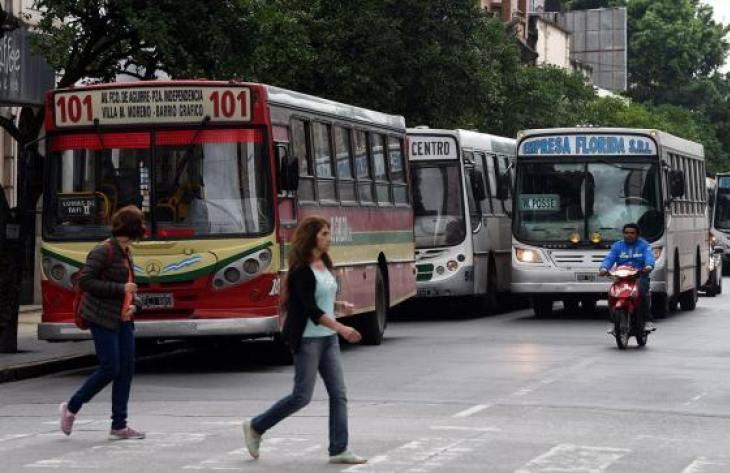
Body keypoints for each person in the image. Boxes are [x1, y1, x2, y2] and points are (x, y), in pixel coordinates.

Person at [242, 216, 367, 465]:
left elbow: (321, 299)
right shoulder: (301, 270)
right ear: (312, 237)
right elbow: (311, 310)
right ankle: (256, 426)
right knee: (302, 396)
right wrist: (342, 328)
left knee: (339, 393)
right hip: (309, 340)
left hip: (328, 339)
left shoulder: (325, 263)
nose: (329, 239)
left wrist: (339, 305)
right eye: (324, 234)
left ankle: (339, 449)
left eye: (329, 233)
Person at [59, 205, 146, 440]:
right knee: (110, 368)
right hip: (101, 317)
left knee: (125, 371)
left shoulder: (126, 252)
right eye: (140, 223)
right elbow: (85, 281)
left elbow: (130, 287)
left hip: (124, 318)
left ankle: (119, 425)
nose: (144, 227)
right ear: (131, 227)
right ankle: (72, 407)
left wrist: (135, 304)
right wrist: (120, 289)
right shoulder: (103, 250)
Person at [598, 222, 656, 331]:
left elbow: (649, 257)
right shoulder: (617, 246)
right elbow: (609, 258)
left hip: (639, 276)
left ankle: (648, 320)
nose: (629, 235)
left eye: (632, 233)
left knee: (642, 291)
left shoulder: (644, 246)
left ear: (637, 234)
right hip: (621, 277)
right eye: (626, 233)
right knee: (612, 293)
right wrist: (604, 268)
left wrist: (649, 266)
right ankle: (613, 321)